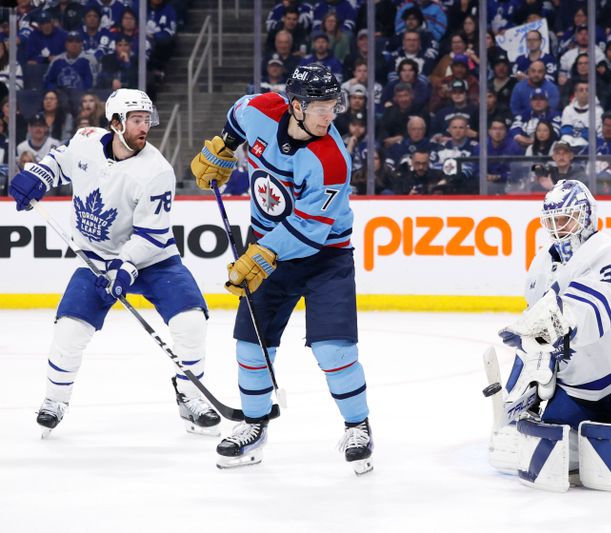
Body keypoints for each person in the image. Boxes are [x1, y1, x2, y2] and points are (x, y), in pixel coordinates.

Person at [190, 64, 373, 473]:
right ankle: (254, 425)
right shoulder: (259, 108)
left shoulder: (331, 160)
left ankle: (358, 426)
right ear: (295, 105)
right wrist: (224, 146)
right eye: (321, 107)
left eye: (333, 106)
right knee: (250, 347)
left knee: (334, 350)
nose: (330, 115)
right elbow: (237, 116)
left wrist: (260, 254)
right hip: (268, 245)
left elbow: (310, 230)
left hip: (325, 257)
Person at [7, 89, 220, 437]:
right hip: (96, 261)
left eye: (147, 120)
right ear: (116, 122)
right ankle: (54, 401)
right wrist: (37, 176)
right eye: (137, 120)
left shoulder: (157, 171)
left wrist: (126, 267)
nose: (144, 127)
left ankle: (190, 395)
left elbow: (150, 236)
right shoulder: (86, 140)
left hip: (154, 261)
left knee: (191, 321)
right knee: (69, 330)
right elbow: (61, 161)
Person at [496, 179, 611, 470]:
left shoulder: (607, 250)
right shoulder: (539, 265)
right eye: (553, 220)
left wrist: (542, 330)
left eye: (567, 219)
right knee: (548, 461)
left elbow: (591, 318)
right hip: (579, 388)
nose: (559, 227)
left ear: (587, 216)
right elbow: (533, 339)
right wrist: (518, 395)